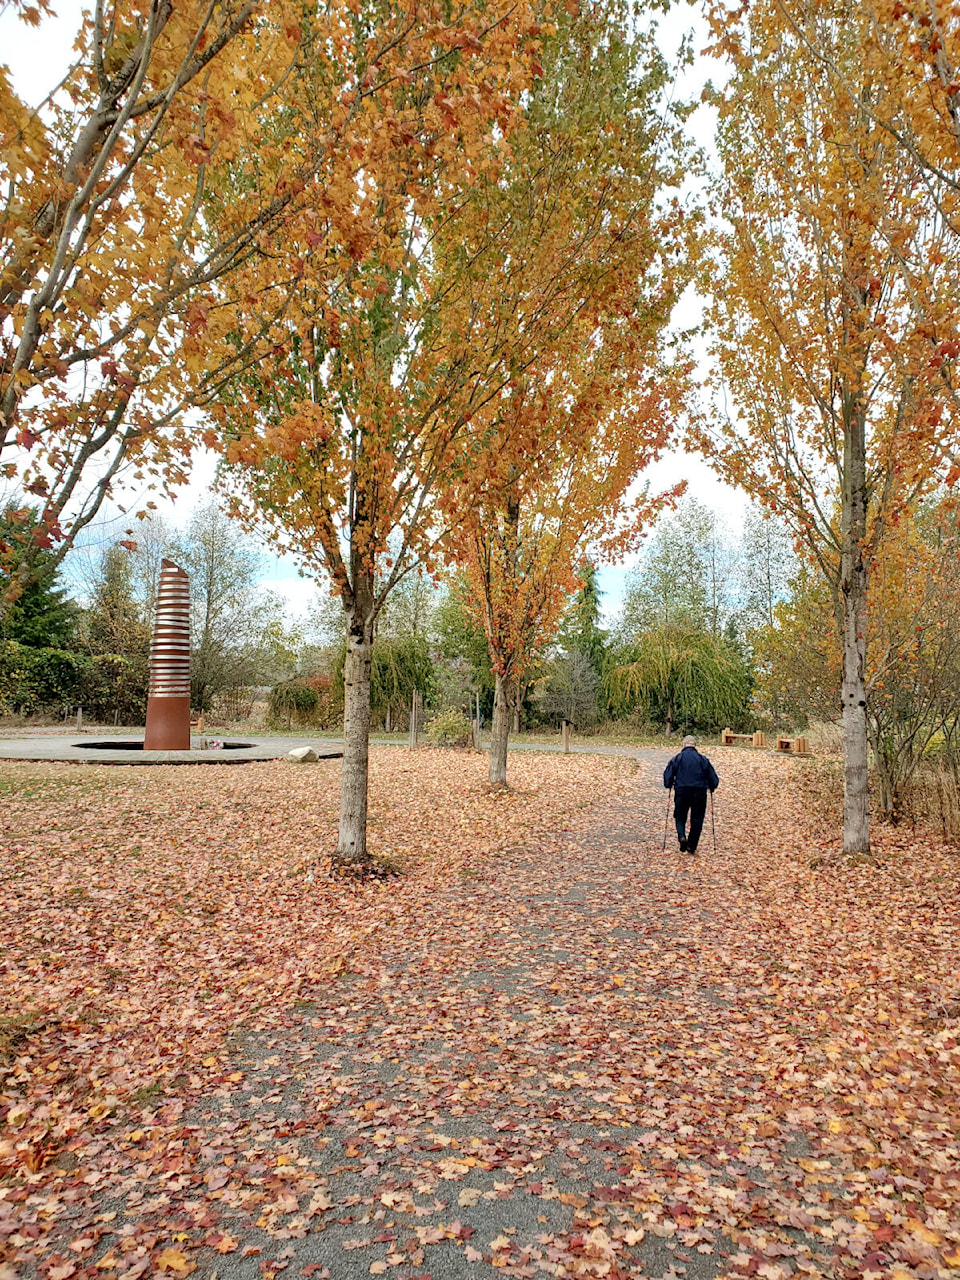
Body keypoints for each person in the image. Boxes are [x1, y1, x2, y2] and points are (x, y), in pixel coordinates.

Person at [663, 734, 719, 855]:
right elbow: (713, 777)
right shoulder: (702, 759)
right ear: (694, 746)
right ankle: (691, 846)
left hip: (682, 790)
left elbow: (668, 775)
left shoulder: (677, 758)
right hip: (699, 792)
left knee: (680, 816)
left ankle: (682, 836)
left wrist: (669, 784)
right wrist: (712, 787)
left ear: (683, 745)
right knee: (697, 818)